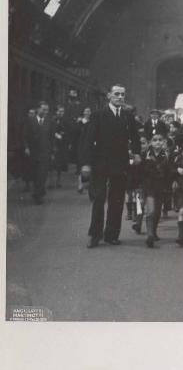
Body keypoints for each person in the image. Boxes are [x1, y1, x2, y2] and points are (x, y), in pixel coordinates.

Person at [81, 84, 141, 248]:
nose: (120, 97)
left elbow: (135, 137)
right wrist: (86, 163)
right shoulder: (98, 115)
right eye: (117, 94)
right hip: (100, 163)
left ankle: (111, 235)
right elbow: (88, 140)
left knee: (117, 200)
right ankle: (95, 234)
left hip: (120, 164)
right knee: (99, 198)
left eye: (123, 94)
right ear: (109, 96)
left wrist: (136, 153)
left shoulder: (128, 116)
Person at [22, 101, 54, 205]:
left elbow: (51, 138)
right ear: (38, 109)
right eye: (44, 109)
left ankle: (38, 195)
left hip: (45, 152)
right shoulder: (30, 121)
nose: (46, 112)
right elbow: (24, 135)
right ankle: (38, 192)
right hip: (33, 152)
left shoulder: (49, 122)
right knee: (35, 174)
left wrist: (52, 151)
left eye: (47, 110)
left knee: (42, 174)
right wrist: (26, 147)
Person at [141, 133, 169, 248]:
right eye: (155, 140)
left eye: (160, 140)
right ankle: (149, 235)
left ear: (163, 142)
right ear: (151, 143)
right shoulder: (145, 155)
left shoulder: (166, 156)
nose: (157, 142)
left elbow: (168, 172)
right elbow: (140, 171)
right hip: (149, 186)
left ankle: (154, 231)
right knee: (151, 211)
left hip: (161, 187)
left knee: (157, 212)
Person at [50, 105, 70, 189]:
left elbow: (67, 130)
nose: (61, 113)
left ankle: (58, 181)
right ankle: (51, 182)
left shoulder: (64, 120)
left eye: (63, 111)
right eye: (60, 111)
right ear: (56, 111)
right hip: (52, 144)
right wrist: (55, 134)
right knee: (51, 164)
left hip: (61, 144)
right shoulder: (52, 120)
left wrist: (63, 134)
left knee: (59, 164)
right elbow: (50, 131)